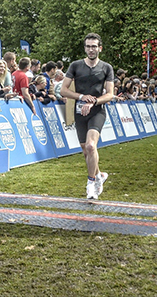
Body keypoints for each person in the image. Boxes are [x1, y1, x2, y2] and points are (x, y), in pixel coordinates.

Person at [60, 33, 115, 199]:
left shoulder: (106, 68)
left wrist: (94, 101)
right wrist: (81, 97)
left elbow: (111, 94)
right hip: (79, 111)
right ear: (85, 48)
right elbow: (63, 90)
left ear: (100, 48)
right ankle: (99, 176)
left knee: (91, 146)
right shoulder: (76, 65)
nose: (91, 49)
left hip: (97, 110)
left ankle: (91, 184)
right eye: (88, 46)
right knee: (86, 151)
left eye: (94, 46)